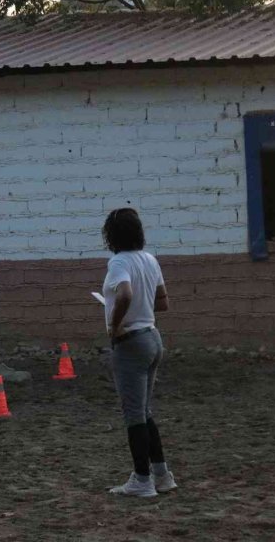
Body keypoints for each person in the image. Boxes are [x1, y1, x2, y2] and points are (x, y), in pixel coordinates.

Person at [101, 207, 177, 498]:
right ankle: (162, 474)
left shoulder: (118, 262)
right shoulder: (150, 260)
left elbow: (125, 294)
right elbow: (163, 303)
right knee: (144, 412)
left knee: (133, 414)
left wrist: (114, 325)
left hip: (131, 341)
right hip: (153, 337)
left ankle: (142, 479)